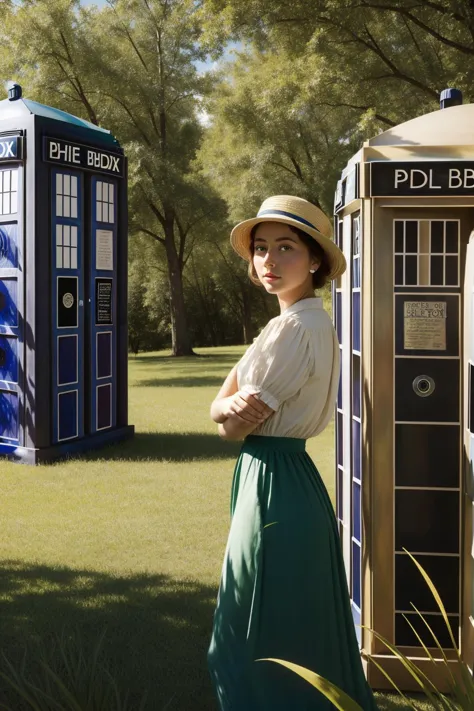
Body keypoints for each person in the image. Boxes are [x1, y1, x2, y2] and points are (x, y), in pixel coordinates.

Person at [207, 195, 378, 711]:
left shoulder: (297, 329)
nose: (269, 261)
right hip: (283, 475)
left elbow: (230, 427)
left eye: (286, 248)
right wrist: (222, 409)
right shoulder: (291, 323)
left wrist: (222, 413)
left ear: (316, 261)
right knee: (281, 609)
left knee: (252, 616)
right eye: (261, 249)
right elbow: (222, 401)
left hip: (275, 477)